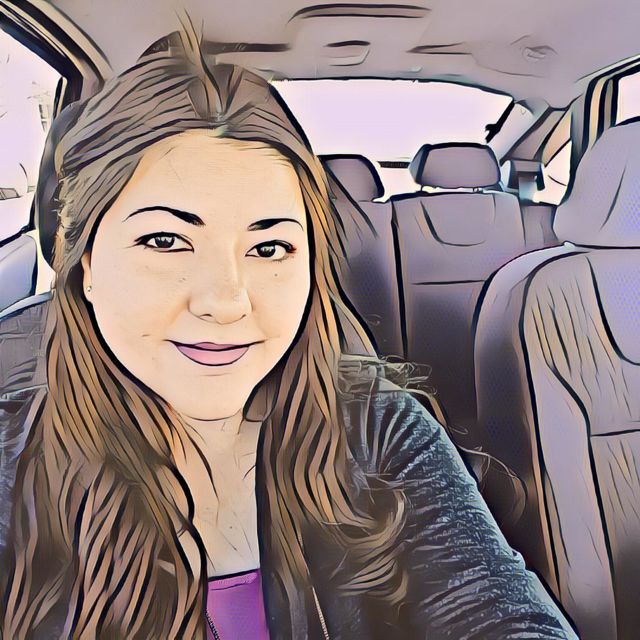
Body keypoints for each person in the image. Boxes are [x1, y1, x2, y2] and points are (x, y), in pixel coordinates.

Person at [0, 31, 579, 640]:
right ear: (84, 264)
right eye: (166, 241)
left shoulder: (377, 429)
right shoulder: (15, 468)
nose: (227, 301)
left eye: (270, 246)